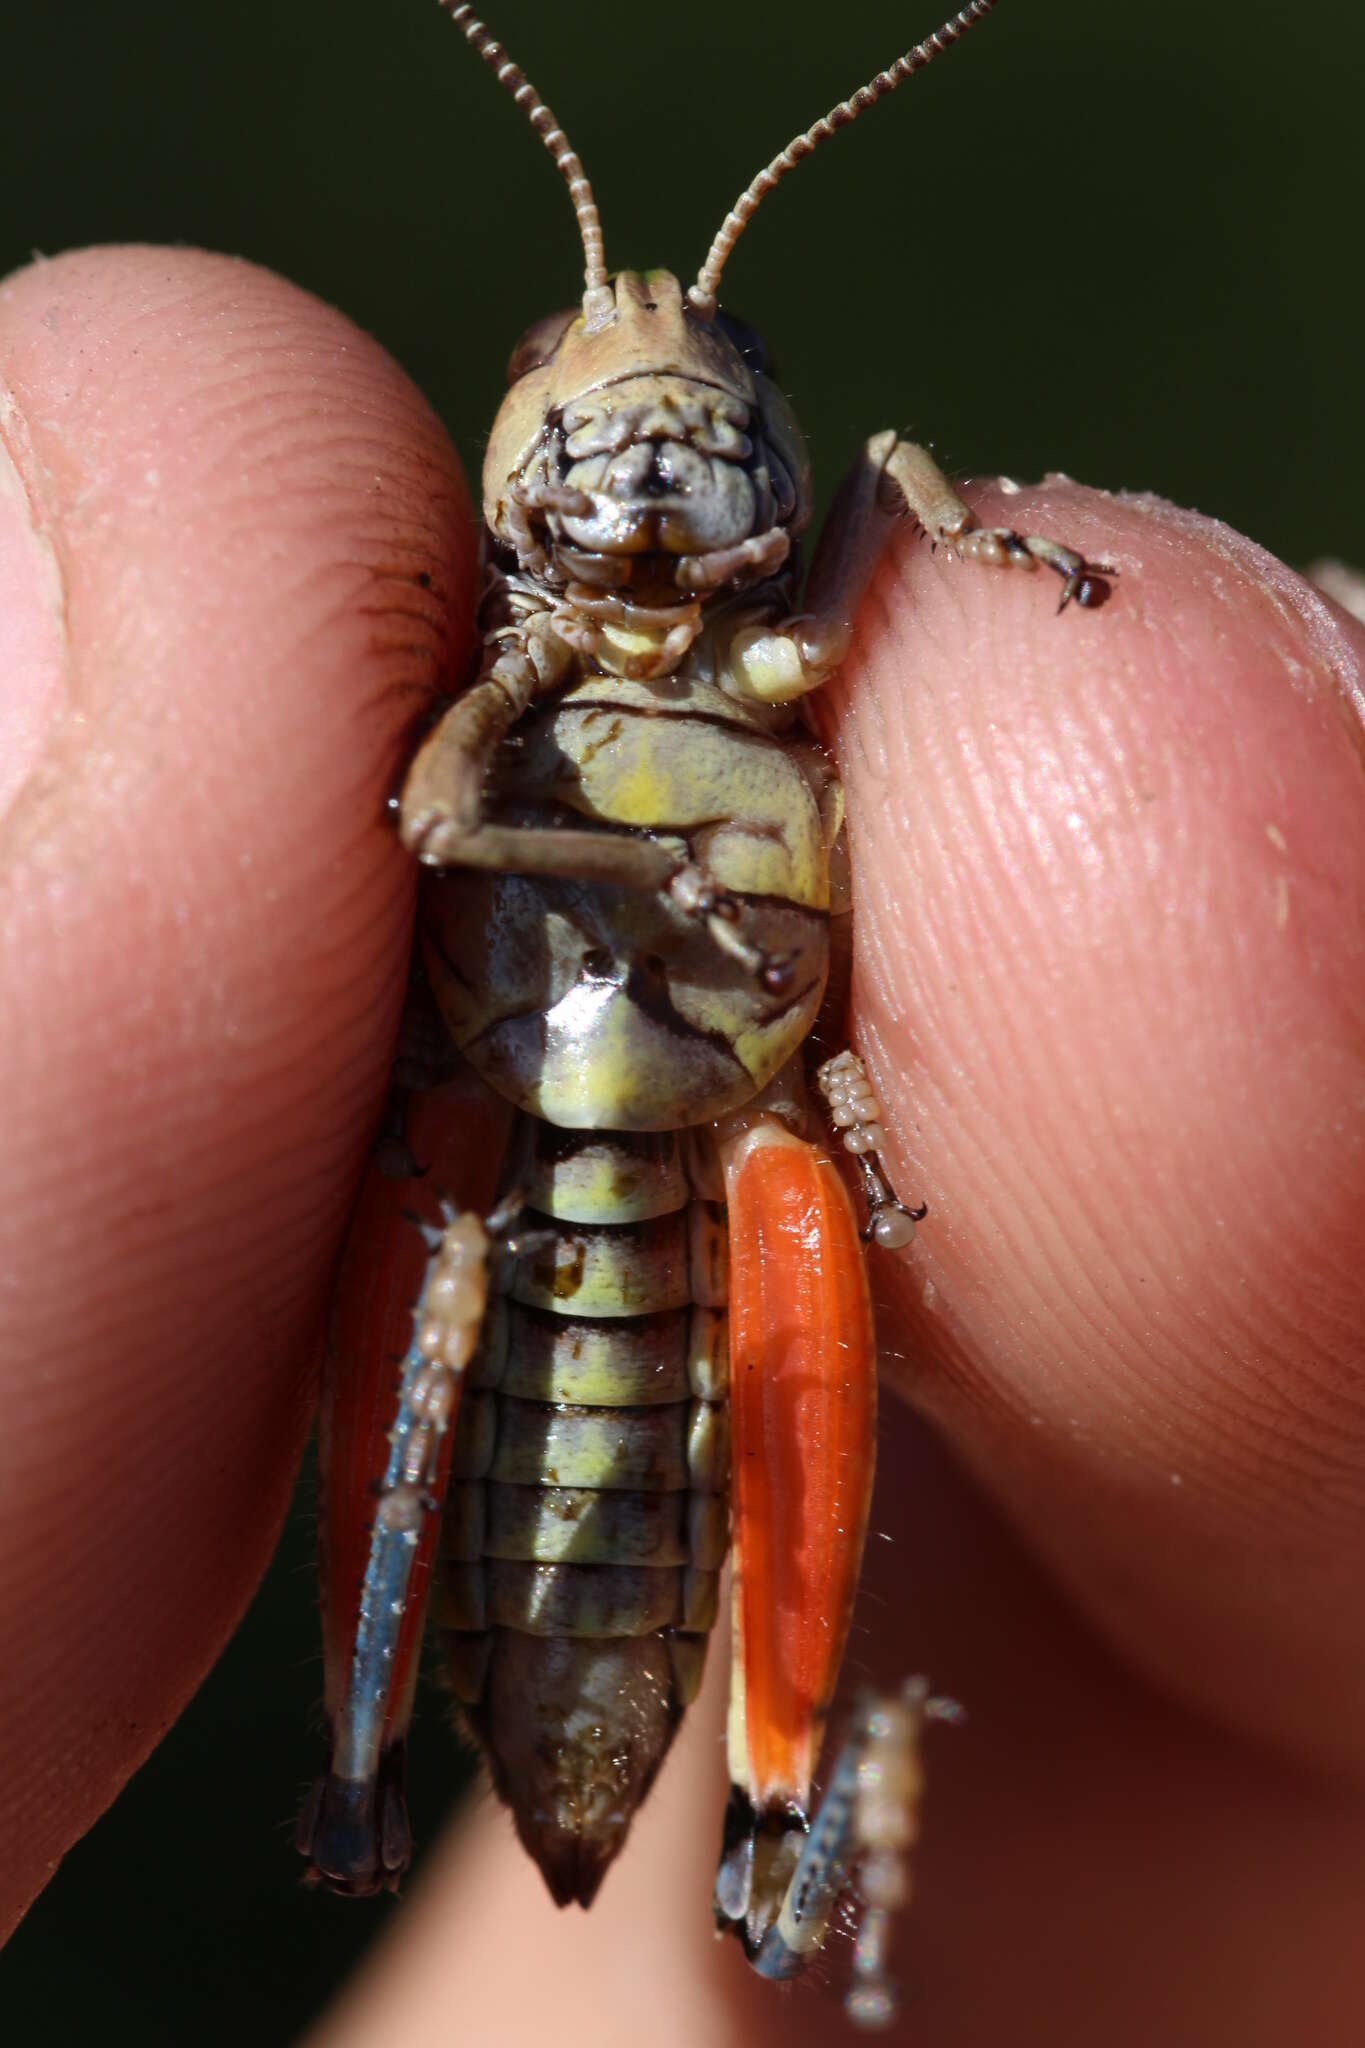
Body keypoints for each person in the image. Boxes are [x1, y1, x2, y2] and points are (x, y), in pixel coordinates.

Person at [3, 245, 1364, 2046]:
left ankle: (781, 1814)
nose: (650, 404)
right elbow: (434, 815)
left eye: (712, 362)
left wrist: (953, 531)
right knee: (437, 1242)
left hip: (754, 1171)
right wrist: (637, 870)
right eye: (572, 356)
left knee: (810, 1210)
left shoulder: (807, 615)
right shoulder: (505, 672)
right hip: (488, 1165)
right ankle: (363, 1761)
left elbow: (883, 486)